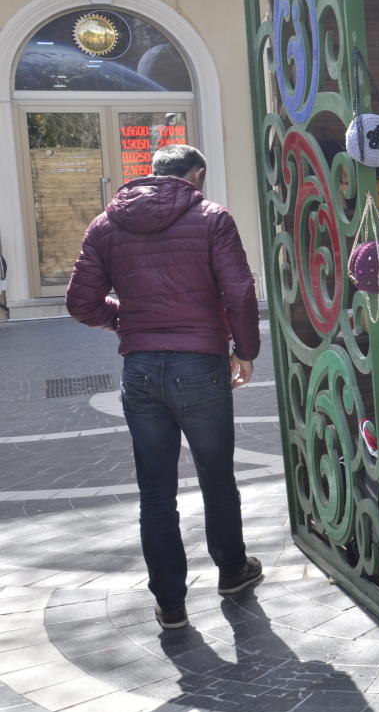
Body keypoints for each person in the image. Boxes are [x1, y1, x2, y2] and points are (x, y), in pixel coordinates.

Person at [65, 145, 264, 630]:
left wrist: (124, 321)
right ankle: (232, 571)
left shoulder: (105, 225)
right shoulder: (213, 218)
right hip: (200, 364)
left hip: (140, 368)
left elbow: (80, 301)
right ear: (195, 174)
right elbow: (239, 291)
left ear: (150, 173)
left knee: (155, 491)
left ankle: (170, 604)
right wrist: (246, 350)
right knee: (217, 478)